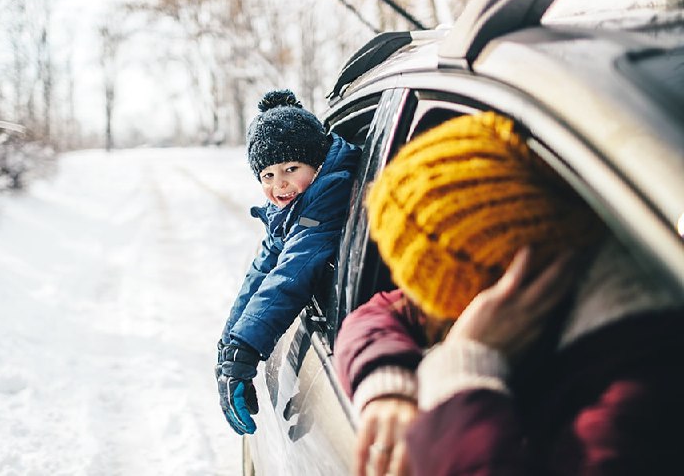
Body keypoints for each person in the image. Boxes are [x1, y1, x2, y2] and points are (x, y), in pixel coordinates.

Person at [334, 110, 684, 475]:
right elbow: (385, 312)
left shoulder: (634, 398)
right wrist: (387, 382)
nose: (408, 295)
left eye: (420, 284)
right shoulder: (551, 277)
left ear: (501, 286)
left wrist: (462, 376)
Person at [216, 89, 361, 435]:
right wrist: (229, 348)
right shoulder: (290, 208)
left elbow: (290, 273)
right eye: (267, 175)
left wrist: (245, 348)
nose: (279, 184)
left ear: (318, 162)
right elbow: (261, 272)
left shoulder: (326, 200)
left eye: (290, 168)